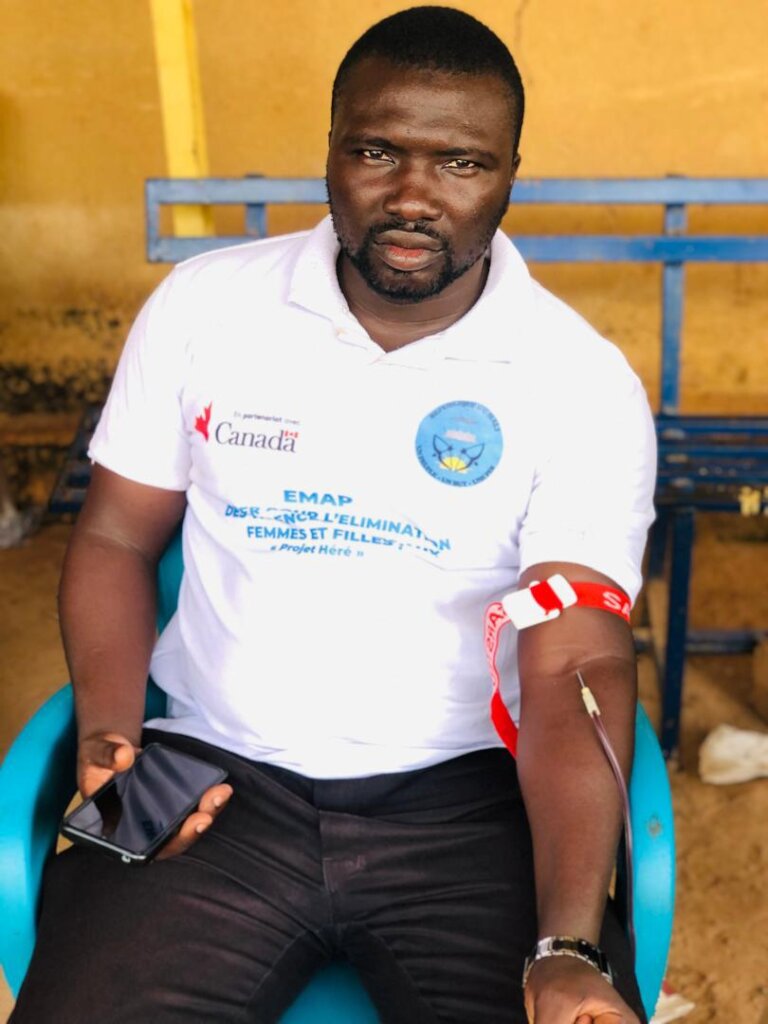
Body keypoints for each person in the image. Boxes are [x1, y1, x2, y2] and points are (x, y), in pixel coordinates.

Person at [11, 7, 656, 1023]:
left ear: (509, 172)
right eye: (375, 150)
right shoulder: (204, 309)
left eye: (460, 162)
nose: (412, 196)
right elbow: (116, 534)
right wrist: (111, 732)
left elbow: (575, 661)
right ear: (329, 148)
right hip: (213, 782)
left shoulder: (578, 383)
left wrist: (567, 943)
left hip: (467, 805)